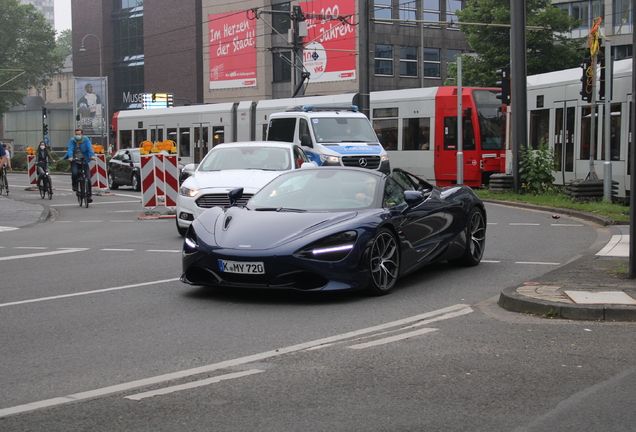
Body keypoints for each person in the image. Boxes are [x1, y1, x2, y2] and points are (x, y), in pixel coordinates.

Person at [64, 129, 96, 203]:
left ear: (82, 134)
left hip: (84, 160)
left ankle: (89, 196)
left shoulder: (86, 140)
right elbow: (70, 149)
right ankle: (74, 185)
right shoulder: (72, 140)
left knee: (88, 178)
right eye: (76, 134)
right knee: (75, 173)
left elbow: (89, 148)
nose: (77, 136)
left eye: (79, 134)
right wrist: (70, 157)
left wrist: (92, 155)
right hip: (75, 160)